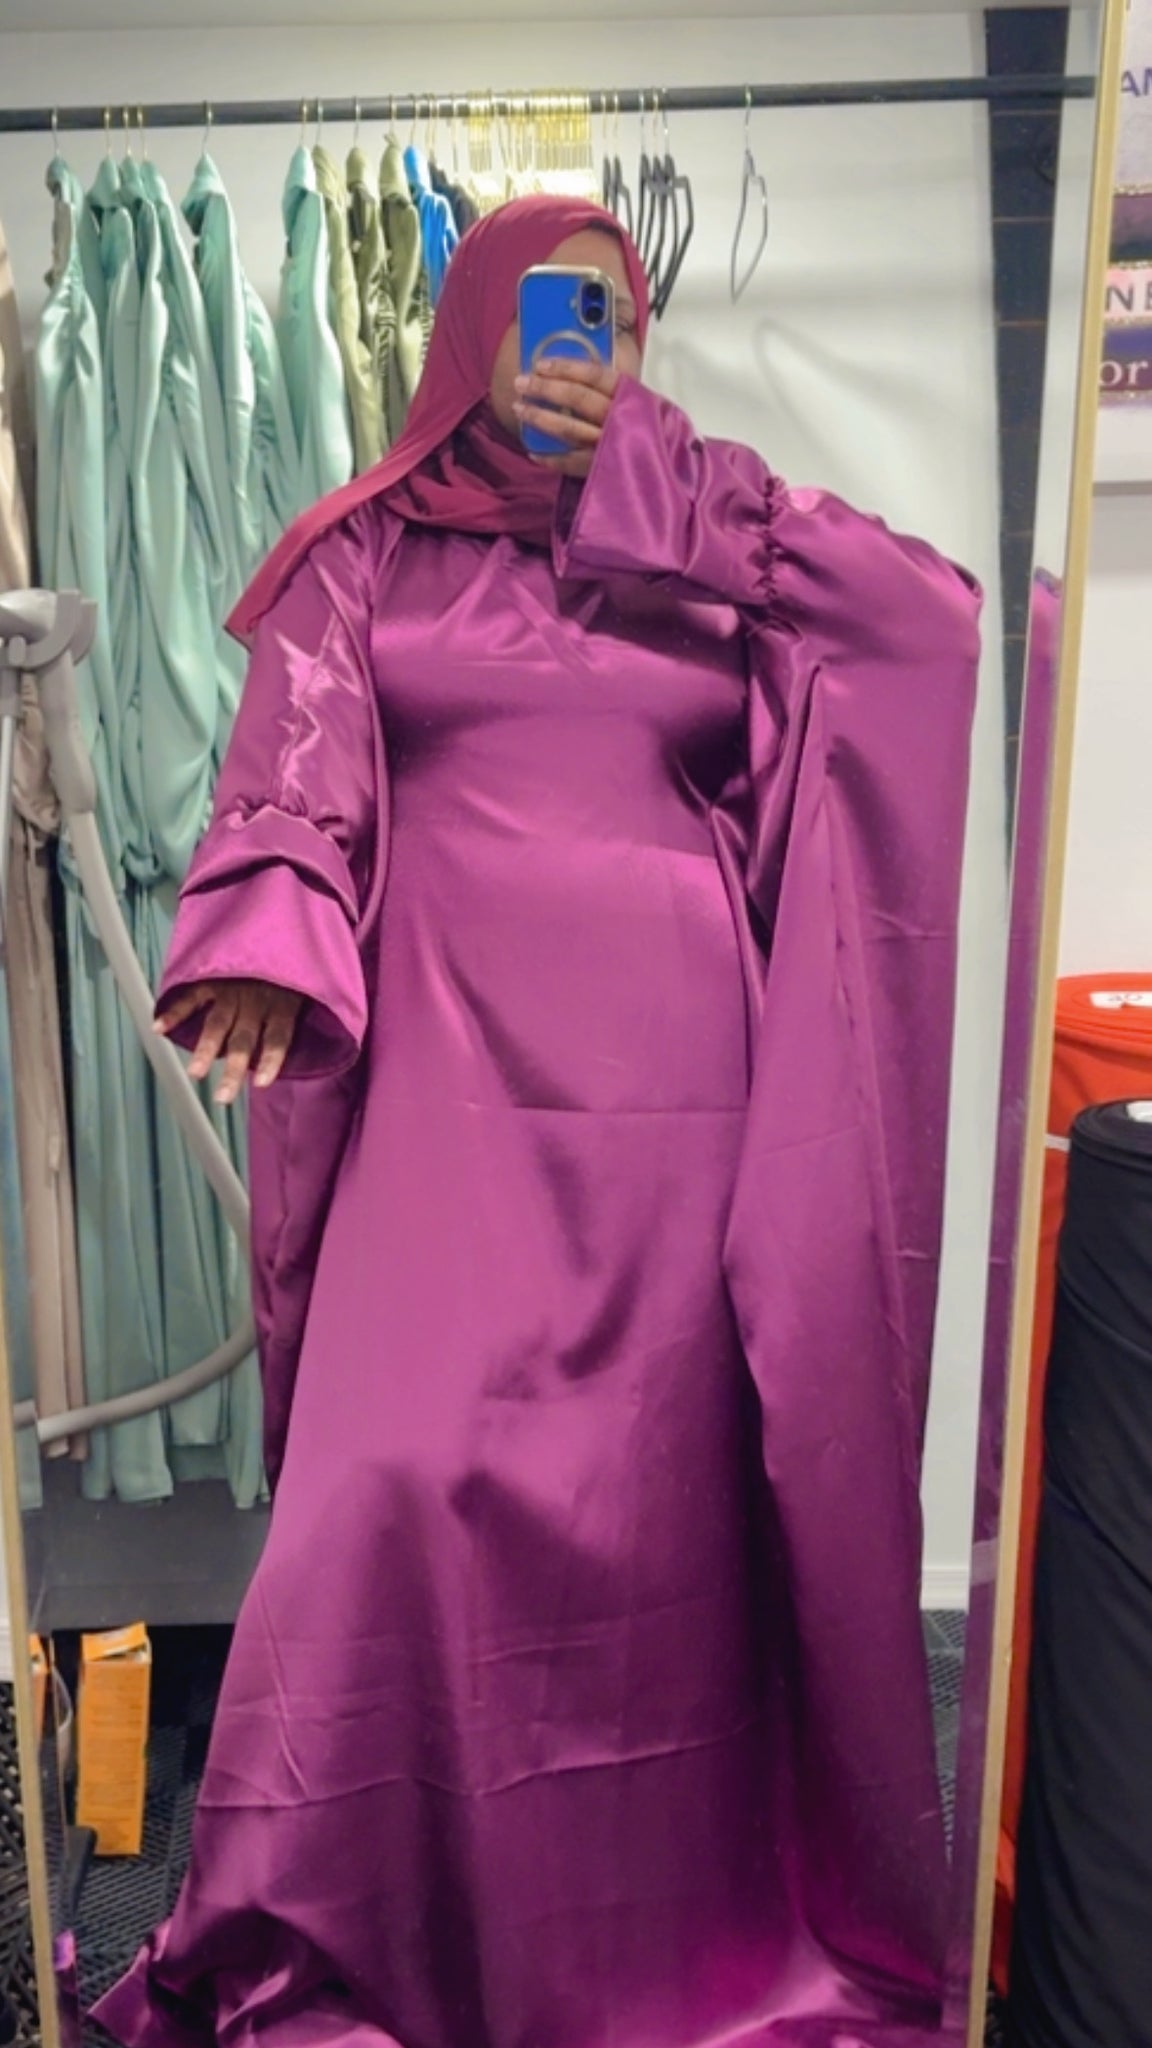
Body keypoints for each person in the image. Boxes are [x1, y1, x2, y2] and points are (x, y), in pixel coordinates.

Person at [94, 196, 981, 2048]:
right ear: (470, 327)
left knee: (653, 1516)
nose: (588, 351)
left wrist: (690, 494)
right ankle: (361, 1919)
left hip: (681, 1104)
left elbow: (932, 628)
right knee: (391, 1488)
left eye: (620, 320)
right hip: (450, 1091)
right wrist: (268, 932)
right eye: (552, 311)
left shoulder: (703, 542)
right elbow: (294, 768)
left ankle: (663, 1947)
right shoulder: (365, 552)